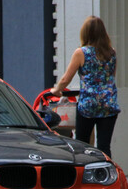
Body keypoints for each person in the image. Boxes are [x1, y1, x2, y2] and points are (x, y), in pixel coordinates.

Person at [51, 16, 120, 158]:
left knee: (81, 143)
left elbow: (65, 79)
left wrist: (56, 90)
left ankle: (83, 173)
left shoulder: (81, 52)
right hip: (109, 104)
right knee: (104, 146)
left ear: (85, 33)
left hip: (88, 104)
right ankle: (106, 175)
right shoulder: (111, 52)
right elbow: (111, 76)